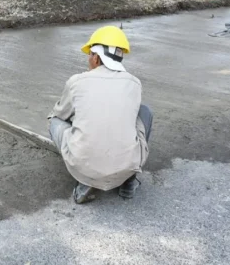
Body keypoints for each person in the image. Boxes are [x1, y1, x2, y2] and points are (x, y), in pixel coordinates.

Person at [48, 26, 152, 204]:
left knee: (54, 120)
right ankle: (128, 182)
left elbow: (61, 113)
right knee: (145, 112)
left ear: (96, 57)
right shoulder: (134, 83)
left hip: (84, 167)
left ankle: (85, 181)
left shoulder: (77, 81)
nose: (89, 59)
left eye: (90, 55)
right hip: (127, 165)